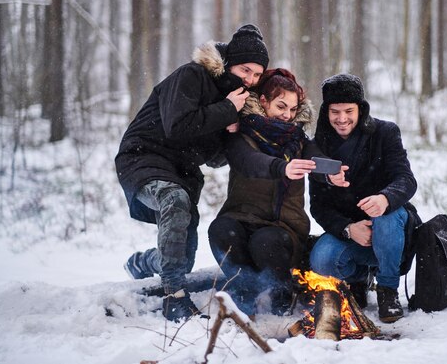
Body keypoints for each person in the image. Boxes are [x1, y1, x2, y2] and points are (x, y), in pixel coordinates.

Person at [115, 24, 269, 322]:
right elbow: (178, 126)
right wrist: (225, 110)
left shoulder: (234, 99)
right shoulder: (192, 75)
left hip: (180, 170)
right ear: (229, 63)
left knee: (182, 259)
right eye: (245, 70)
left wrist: (232, 135)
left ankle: (143, 263)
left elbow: (212, 159)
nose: (250, 79)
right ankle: (175, 297)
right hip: (142, 155)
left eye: (257, 75)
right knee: (174, 200)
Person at [208, 68, 348, 317]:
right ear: (264, 101)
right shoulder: (240, 134)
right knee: (220, 230)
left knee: (266, 241)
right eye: (281, 106)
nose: (287, 115)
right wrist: (282, 167)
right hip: (241, 219)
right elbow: (248, 161)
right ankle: (244, 292)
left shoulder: (298, 140)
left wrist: (330, 174)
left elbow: (316, 161)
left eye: (293, 110)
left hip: (283, 229)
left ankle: (281, 295)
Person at [308, 73, 421, 323]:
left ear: (361, 108)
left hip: (392, 229)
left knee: (386, 217)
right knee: (321, 258)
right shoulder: (317, 147)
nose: (342, 118)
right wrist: (348, 229)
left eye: (349, 110)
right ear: (326, 112)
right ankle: (358, 279)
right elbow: (317, 206)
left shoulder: (385, 133)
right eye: (335, 111)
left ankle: (388, 290)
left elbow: (406, 179)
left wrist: (385, 198)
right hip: (353, 232)